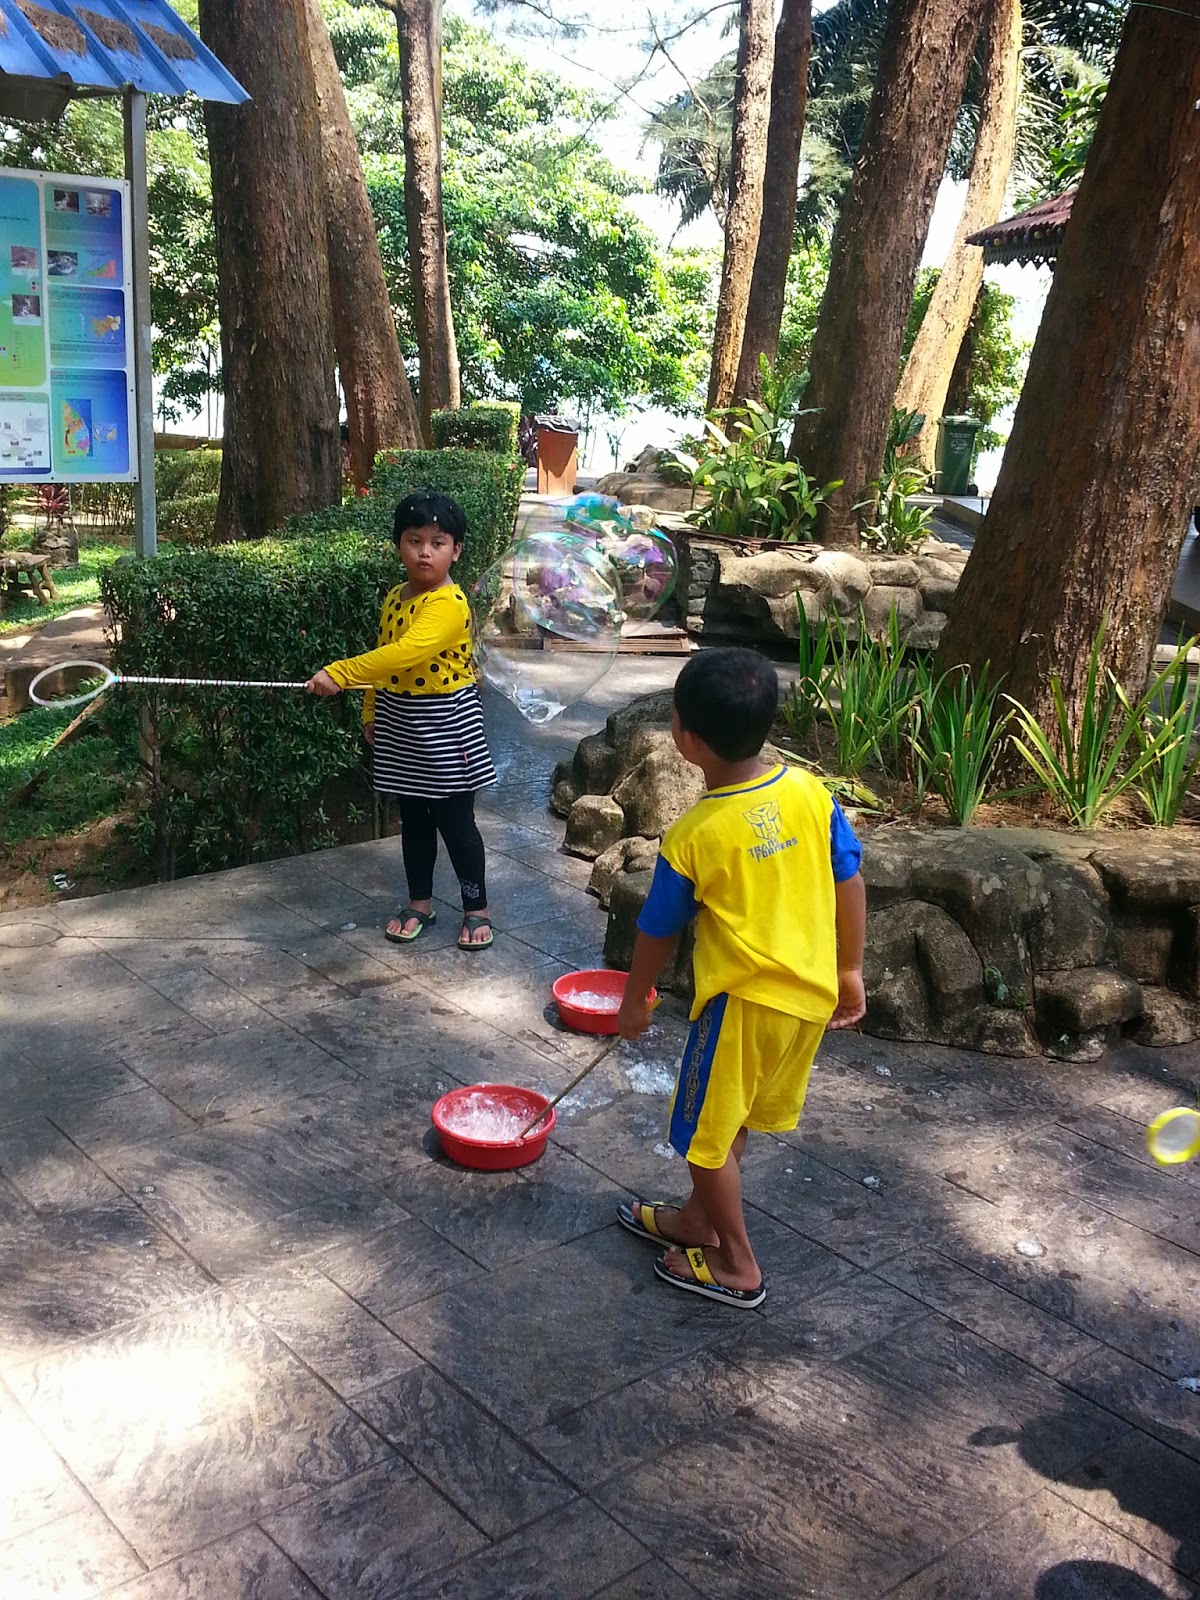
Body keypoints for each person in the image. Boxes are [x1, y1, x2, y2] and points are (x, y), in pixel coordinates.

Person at [615, 647, 867, 1308]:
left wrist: (635, 998)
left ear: (688, 739)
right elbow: (849, 878)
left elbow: (657, 929)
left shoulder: (695, 835)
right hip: (807, 999)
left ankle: (736, 1262)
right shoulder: (809, 792)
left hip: (744, 1005)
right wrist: (849, 968)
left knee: (702, 1138)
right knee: (730, 1120)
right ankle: (698, 1222)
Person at [306, 492, 497, 950]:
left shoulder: (448, 603)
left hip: (446, 724)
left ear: (456, 550)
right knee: (412, 820)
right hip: (400, 720)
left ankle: (476, 909)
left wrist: (340, 672)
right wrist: (371, 712)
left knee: (456, 823)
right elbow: (386, 659)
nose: (425, 552)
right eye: (414, 540)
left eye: (438, 542)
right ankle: (419, 903)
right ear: (399, 546)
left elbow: (405, 652)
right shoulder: (395, 597)